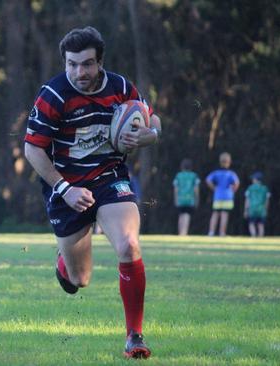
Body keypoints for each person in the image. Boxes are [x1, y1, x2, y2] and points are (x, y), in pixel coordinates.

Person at [24, 27, 161, 359]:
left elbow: (152, 120)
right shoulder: (54, 95)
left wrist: (147, 136)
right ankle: (64, 263)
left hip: (109, 178)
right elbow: (33, 150)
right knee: (78, 280)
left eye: (86, 64)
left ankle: (134, 336)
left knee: (129, 246)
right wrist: (65, 189)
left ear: (100, 62)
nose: (78, 73)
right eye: (72, 64)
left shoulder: (120, 87)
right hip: (66, 187)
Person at [206, 152, 239, 236]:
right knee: (224, 214)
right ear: (229, 162)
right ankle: (222, 232)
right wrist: (233, 190)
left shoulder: (216, 173)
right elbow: (237, 183)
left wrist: (214, 188)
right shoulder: (231, 174)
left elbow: (208, 180)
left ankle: (211, 232)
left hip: (218, 196)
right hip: (228, 196)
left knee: (215, 213)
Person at [172, 158, 200, 235]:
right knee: (187, 215)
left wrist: (175, 199)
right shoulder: (194, 176)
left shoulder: (178, 175)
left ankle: (180, 232)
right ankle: (184, 232)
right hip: (190, 199)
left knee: (181, 215)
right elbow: (196, 189)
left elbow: (176, 189)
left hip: (180, 199)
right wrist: (197, 199)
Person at [244, 171, 271, 237]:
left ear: (256, 179)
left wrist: (245, 210)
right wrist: (266, 209)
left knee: (251, 223)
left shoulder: (250, 188)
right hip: (261, 209)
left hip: (252, 209)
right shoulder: (265, 188)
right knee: (261, 224)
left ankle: (253, 236)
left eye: (253, 179)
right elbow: (267, 201)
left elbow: (247, 200)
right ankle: (260, 237)